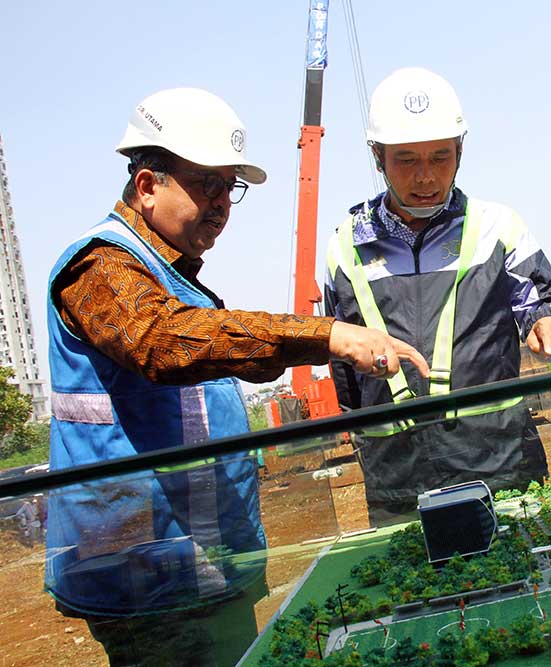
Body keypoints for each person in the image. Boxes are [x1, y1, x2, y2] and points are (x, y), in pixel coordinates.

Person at [45, 87, 428, 667]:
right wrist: (326, 335)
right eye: (207, 185)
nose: (223, 204)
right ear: (148, 186)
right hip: (145, 581)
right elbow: (162, 342)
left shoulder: (169, 274)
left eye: (231, 187)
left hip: (200, 567)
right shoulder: (99, 266)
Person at [324, 67, 551, 523]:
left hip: (501, 469)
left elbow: (544, 305)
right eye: (406, 160)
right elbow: (344, 374)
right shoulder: (345, 247)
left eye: (440, 157)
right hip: (398, 483)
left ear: (461, 151)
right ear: (377, 157)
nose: (425, 177)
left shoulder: (497, 228)